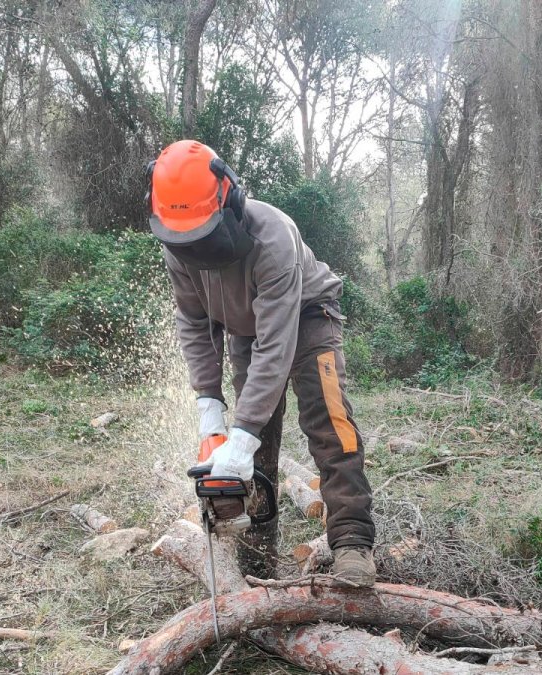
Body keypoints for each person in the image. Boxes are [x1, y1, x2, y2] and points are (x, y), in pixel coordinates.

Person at [145, 139, 376, 586]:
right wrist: (210, 408)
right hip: (246, 330)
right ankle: (257, 557)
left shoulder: (273, 237)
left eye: (203, 237)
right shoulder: (177, 241)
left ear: (230, 201)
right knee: (256, 442)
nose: (195, 251)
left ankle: (352, 541)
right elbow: (194, 322)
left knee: (329, 422)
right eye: (185, 241)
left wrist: (242, 431)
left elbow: (276, 344)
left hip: (308, 315)